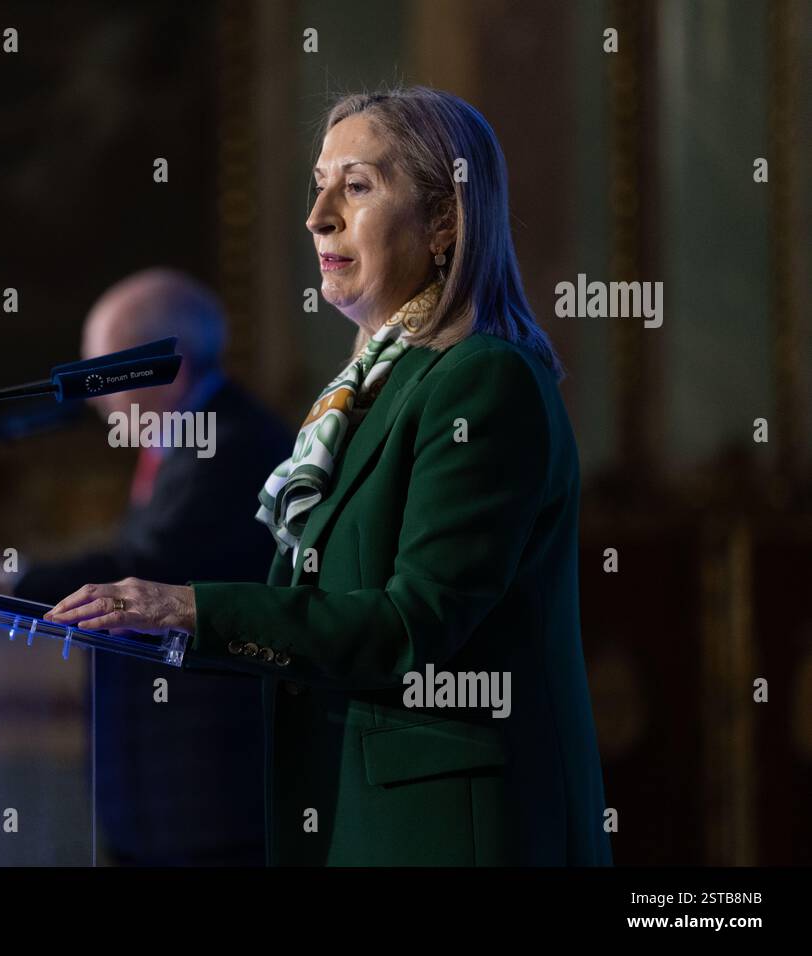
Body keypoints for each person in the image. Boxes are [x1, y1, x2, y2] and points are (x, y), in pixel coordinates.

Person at [44, 88, 613, 866]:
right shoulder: (362, 397)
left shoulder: (483, 380)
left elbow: (412, 624)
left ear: (444, 220)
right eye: (318, 186)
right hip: (354, 813)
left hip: (449, 832)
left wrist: (190, 607)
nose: (317, 217)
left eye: (357, 186)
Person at [0, 268, 292, 865]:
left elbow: (147, 568)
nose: (94, 401)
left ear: (165, 367)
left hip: (209, 800)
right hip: (164, 803)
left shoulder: (230, 441)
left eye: (103, 377)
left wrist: (5, 580)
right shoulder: (187, 442)